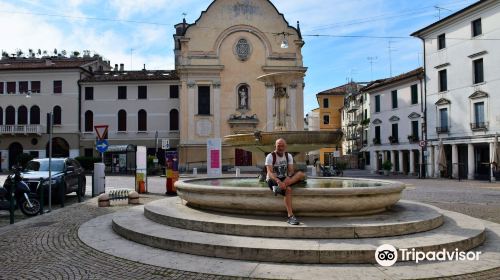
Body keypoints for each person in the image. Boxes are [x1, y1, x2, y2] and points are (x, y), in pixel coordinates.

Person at [265, 138, 306, 225]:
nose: (280, 147)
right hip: (273, 179)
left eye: (282, 145)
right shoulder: (270, 156)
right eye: (278, 146)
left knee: (301, 174)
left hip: (284, 178)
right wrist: (278, 181)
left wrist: (288, 177)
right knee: (288, 190)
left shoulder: (288, 156)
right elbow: (269, 172)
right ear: (275, 146)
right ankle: (290, 216)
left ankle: (280, 187)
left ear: (285, 146)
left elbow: (291, 170)